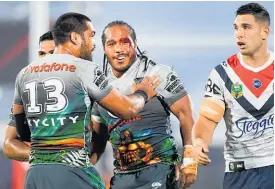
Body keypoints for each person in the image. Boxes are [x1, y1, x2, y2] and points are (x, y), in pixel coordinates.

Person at [11, 13, 160, 189]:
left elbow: (21, 133)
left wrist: (48, 152)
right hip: (73, 172)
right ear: (75, 37)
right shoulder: (84, 68)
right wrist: (144, 92)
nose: (94, 43)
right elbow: (126, 109)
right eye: (91, 35)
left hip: (35, 175)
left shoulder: (24, 74)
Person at [91, 20, 197, 189]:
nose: (119, 49)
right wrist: (78, 170)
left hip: (160, 169)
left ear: (135, 44)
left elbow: (187, 114)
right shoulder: (99, 87)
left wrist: (190, 157)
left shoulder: (157, 74)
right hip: (122, 176)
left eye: (125, 42)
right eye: (111, 44)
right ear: (104, 48)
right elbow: (98, 141)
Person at [192, 3, 273, 189]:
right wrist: (198, 142)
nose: (239, 34)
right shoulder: (223, 74)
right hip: (240, 173)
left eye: (246, 27)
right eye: (236, 28)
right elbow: (206, 119)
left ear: (264, 32)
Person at [3, 30, 55, 161]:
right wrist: (43, 157)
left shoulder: (83, 84)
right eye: (42, 54)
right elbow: (9, 143)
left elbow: (99, 137)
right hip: (41, 174)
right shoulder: (29, 90)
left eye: (52, 53)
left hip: (77, 174)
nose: (47, 59)